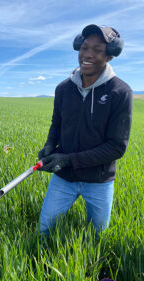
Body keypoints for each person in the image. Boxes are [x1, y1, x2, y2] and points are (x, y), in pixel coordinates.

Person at [38, 24, 133, 237]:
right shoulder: (63, 88)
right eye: (84, 47)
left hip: (99, 181)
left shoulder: (120, 92)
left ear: (109, 56)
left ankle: (90, 269)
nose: (87, 55)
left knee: (97, 236)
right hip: (63, 178)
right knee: (44, 230)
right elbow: (57, 124)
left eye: (97, 50)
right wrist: (49, 146)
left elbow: (116, 148)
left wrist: (69, 159)